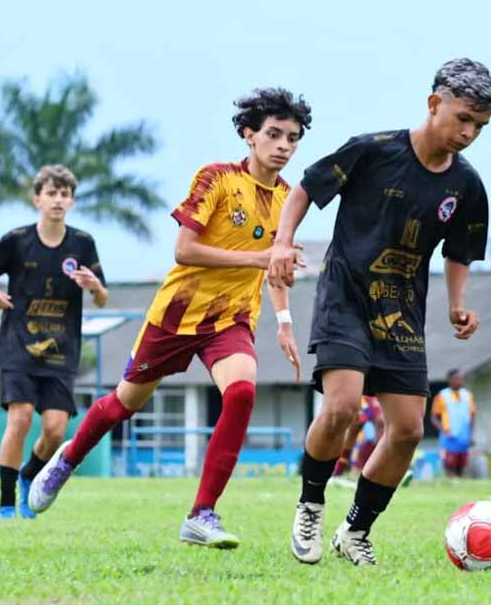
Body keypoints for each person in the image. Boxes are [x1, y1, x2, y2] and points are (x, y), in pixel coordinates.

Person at [28, 88, 310, 549]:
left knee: (240, 394)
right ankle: (66, 460)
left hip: (231, 319)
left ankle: (202, 514)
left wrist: (283, 322)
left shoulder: (288, 199)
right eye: (273, 134)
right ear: (248, 135)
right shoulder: (217, 179)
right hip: (177, 314)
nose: (283, 145)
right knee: (123, 405)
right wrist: (259, 260)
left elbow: (275, 265)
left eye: (292, 138)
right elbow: (184, 249)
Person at [270, 58, 491, 566]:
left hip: (401, 312)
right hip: (346, 297)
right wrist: (282, 243)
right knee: (343, 407)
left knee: (409, 429)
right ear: (433, 103)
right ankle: (310, 503)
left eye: (480, 126)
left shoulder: (467, 186)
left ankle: (355, 531)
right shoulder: (372, 151)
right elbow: (306, 188)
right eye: (463, 118)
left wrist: (459, 305)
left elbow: (459, 251)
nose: (469, 132)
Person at [0, 165, 108, 520]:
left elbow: (103, 298)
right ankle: (6, 503)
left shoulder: (82, 243)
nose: (58, 200)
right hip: (18, 345)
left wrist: (94, 286)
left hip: (61, 350)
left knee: (54, 431)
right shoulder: (16, 240)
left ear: (71, 202)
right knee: (18, 420)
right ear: (38, 199)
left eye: (65, 194)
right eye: (52, 193)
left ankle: (29, 474)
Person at [430, 369, 476, 477]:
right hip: (449, 438)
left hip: (464, 437)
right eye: (457, 379)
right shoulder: (442, 396)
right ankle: (449, 485)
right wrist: (444, 431)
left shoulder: (467, 395)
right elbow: (434, 417)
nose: (460, 381)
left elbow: (473, 416)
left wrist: (472, 435)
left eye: (461, 378)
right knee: (449, 465)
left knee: (462, 466)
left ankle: (460, 488)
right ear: (449, 380)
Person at [332, 396, 384, 480]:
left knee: (381, 423)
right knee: (354, 428)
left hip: (381, 392)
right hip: (362, 393)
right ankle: (338, 470)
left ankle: (383, 469)